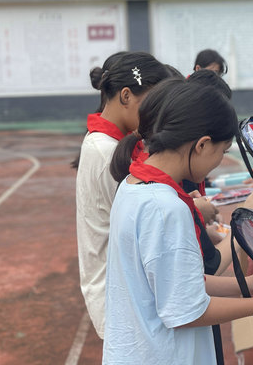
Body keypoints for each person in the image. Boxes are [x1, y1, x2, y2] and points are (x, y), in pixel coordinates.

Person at [104, 80, 253, 364]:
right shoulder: (166, 209)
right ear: (202, 145)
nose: (220, 161)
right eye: (222, 152)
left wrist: (249, 284)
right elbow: (187, 312)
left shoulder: (132, 184)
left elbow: (178, 281)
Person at [75, 52, 172, 339]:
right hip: (120, 297)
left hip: (122, 290)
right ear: (126, 96)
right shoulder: (106, 151)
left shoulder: (109, 142)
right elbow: (143, 223)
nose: (154, 115)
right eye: (150, 104)